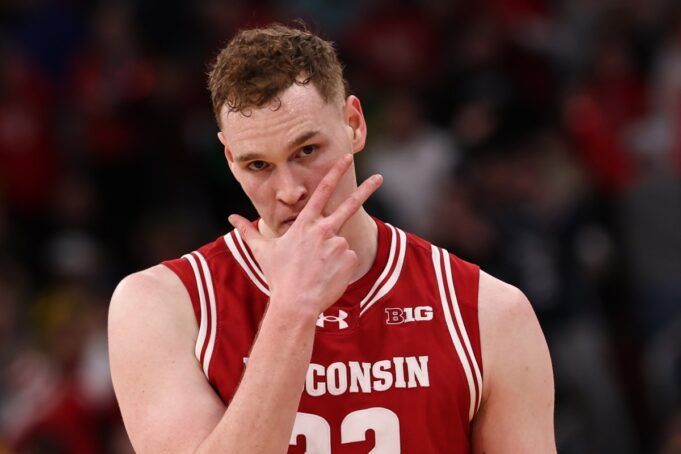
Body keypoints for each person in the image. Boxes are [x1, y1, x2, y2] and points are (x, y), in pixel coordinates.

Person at [108, 24, 555, 453]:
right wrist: (290, 311)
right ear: (229, 159)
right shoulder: (160, 305)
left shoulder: (489, 312)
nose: (289, 191)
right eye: (258, 165)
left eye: (307, 151)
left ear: (354, 124)